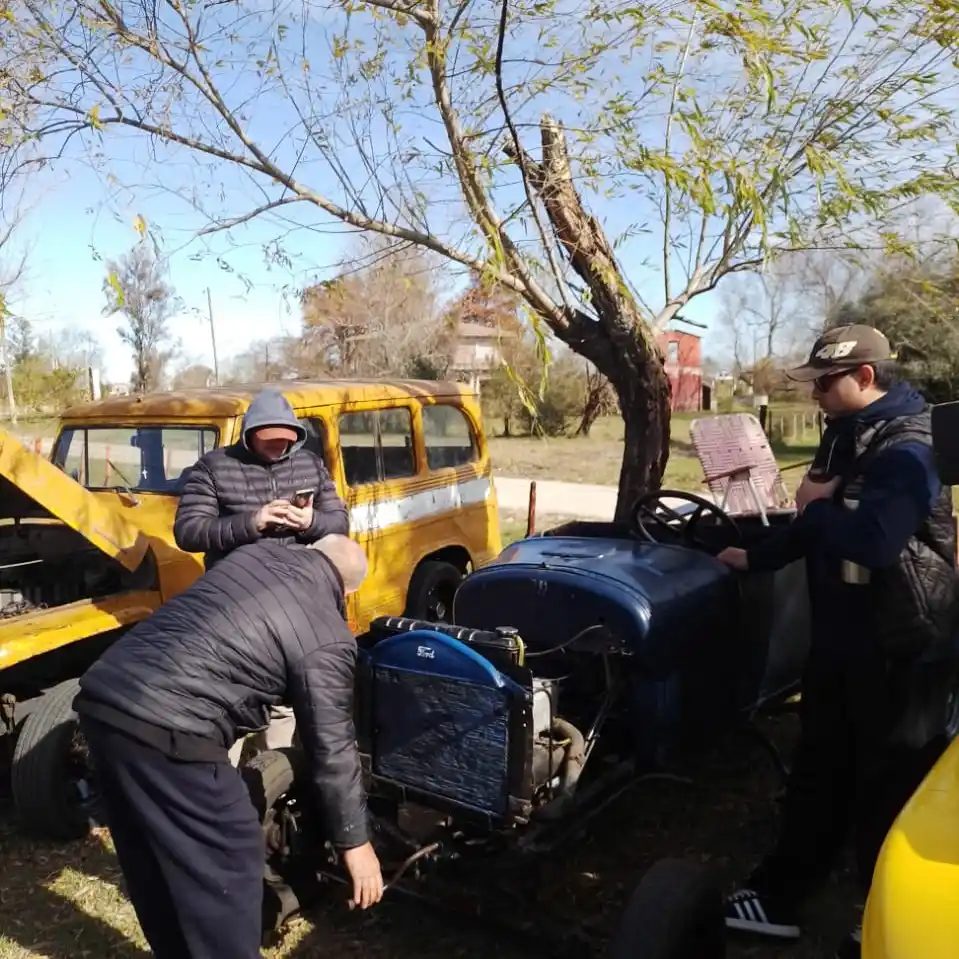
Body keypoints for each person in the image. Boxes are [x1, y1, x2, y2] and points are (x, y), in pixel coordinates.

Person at [717, 324, 959, 959]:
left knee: (892, 783)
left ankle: (882, 918)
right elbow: (814, 525)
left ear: (866, 379)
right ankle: (782, 897)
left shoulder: (909, 449)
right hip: (844, 640)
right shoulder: (848, 435)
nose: (816, 392)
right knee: (821, 767)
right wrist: (757, 557)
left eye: (825, 382)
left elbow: (873, 541)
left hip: (903, 646)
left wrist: (819, 509)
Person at [72, 534, 384, 959]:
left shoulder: (254, 555)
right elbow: (332, 748)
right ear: (348, 592)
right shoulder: (326, 633)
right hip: (170, 729)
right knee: (231, 852)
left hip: (105, 697)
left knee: (148, 848)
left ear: (313, 552)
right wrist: (356, 843)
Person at [173, 387, 350, 760]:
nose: (277, 448)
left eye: (285, 441)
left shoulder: (310, 465)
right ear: (249, 433)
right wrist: (252, 521)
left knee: (285, 696)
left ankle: (273, 776)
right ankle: (224, 773)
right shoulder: (213, 467)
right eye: (268, 441)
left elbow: (339, 522)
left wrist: (311, 521)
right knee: (234, 694)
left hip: (296, 602)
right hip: (237, 605)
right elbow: (188, 532)